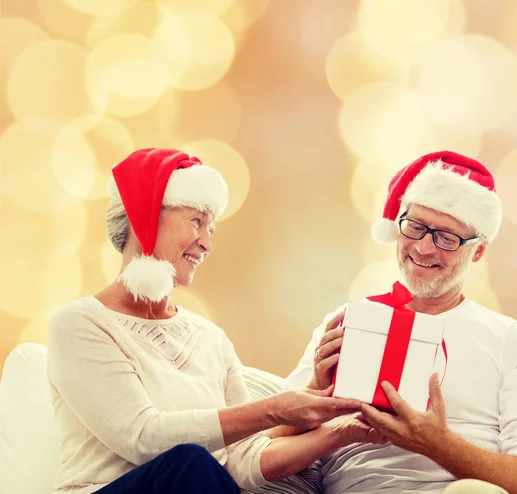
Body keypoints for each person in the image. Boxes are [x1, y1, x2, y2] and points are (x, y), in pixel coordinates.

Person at [46, 148, 385, 494]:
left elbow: (242, 462)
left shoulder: (210, 338)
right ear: (144, 217)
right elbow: (144, 439)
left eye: (211, 229)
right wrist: (273, 410)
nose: (206, 243)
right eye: (196, 221)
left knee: (200, 468)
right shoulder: (80, 324)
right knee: (189, 463)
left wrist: (346, 430)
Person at [286, 151, 517, 494]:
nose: (424, 248)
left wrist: (439, 444)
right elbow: (265, 444)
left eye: (447, 237)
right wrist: (315, 387)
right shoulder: (346, 323)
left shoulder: (514, 341)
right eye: (415, 227)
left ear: (477, 250)